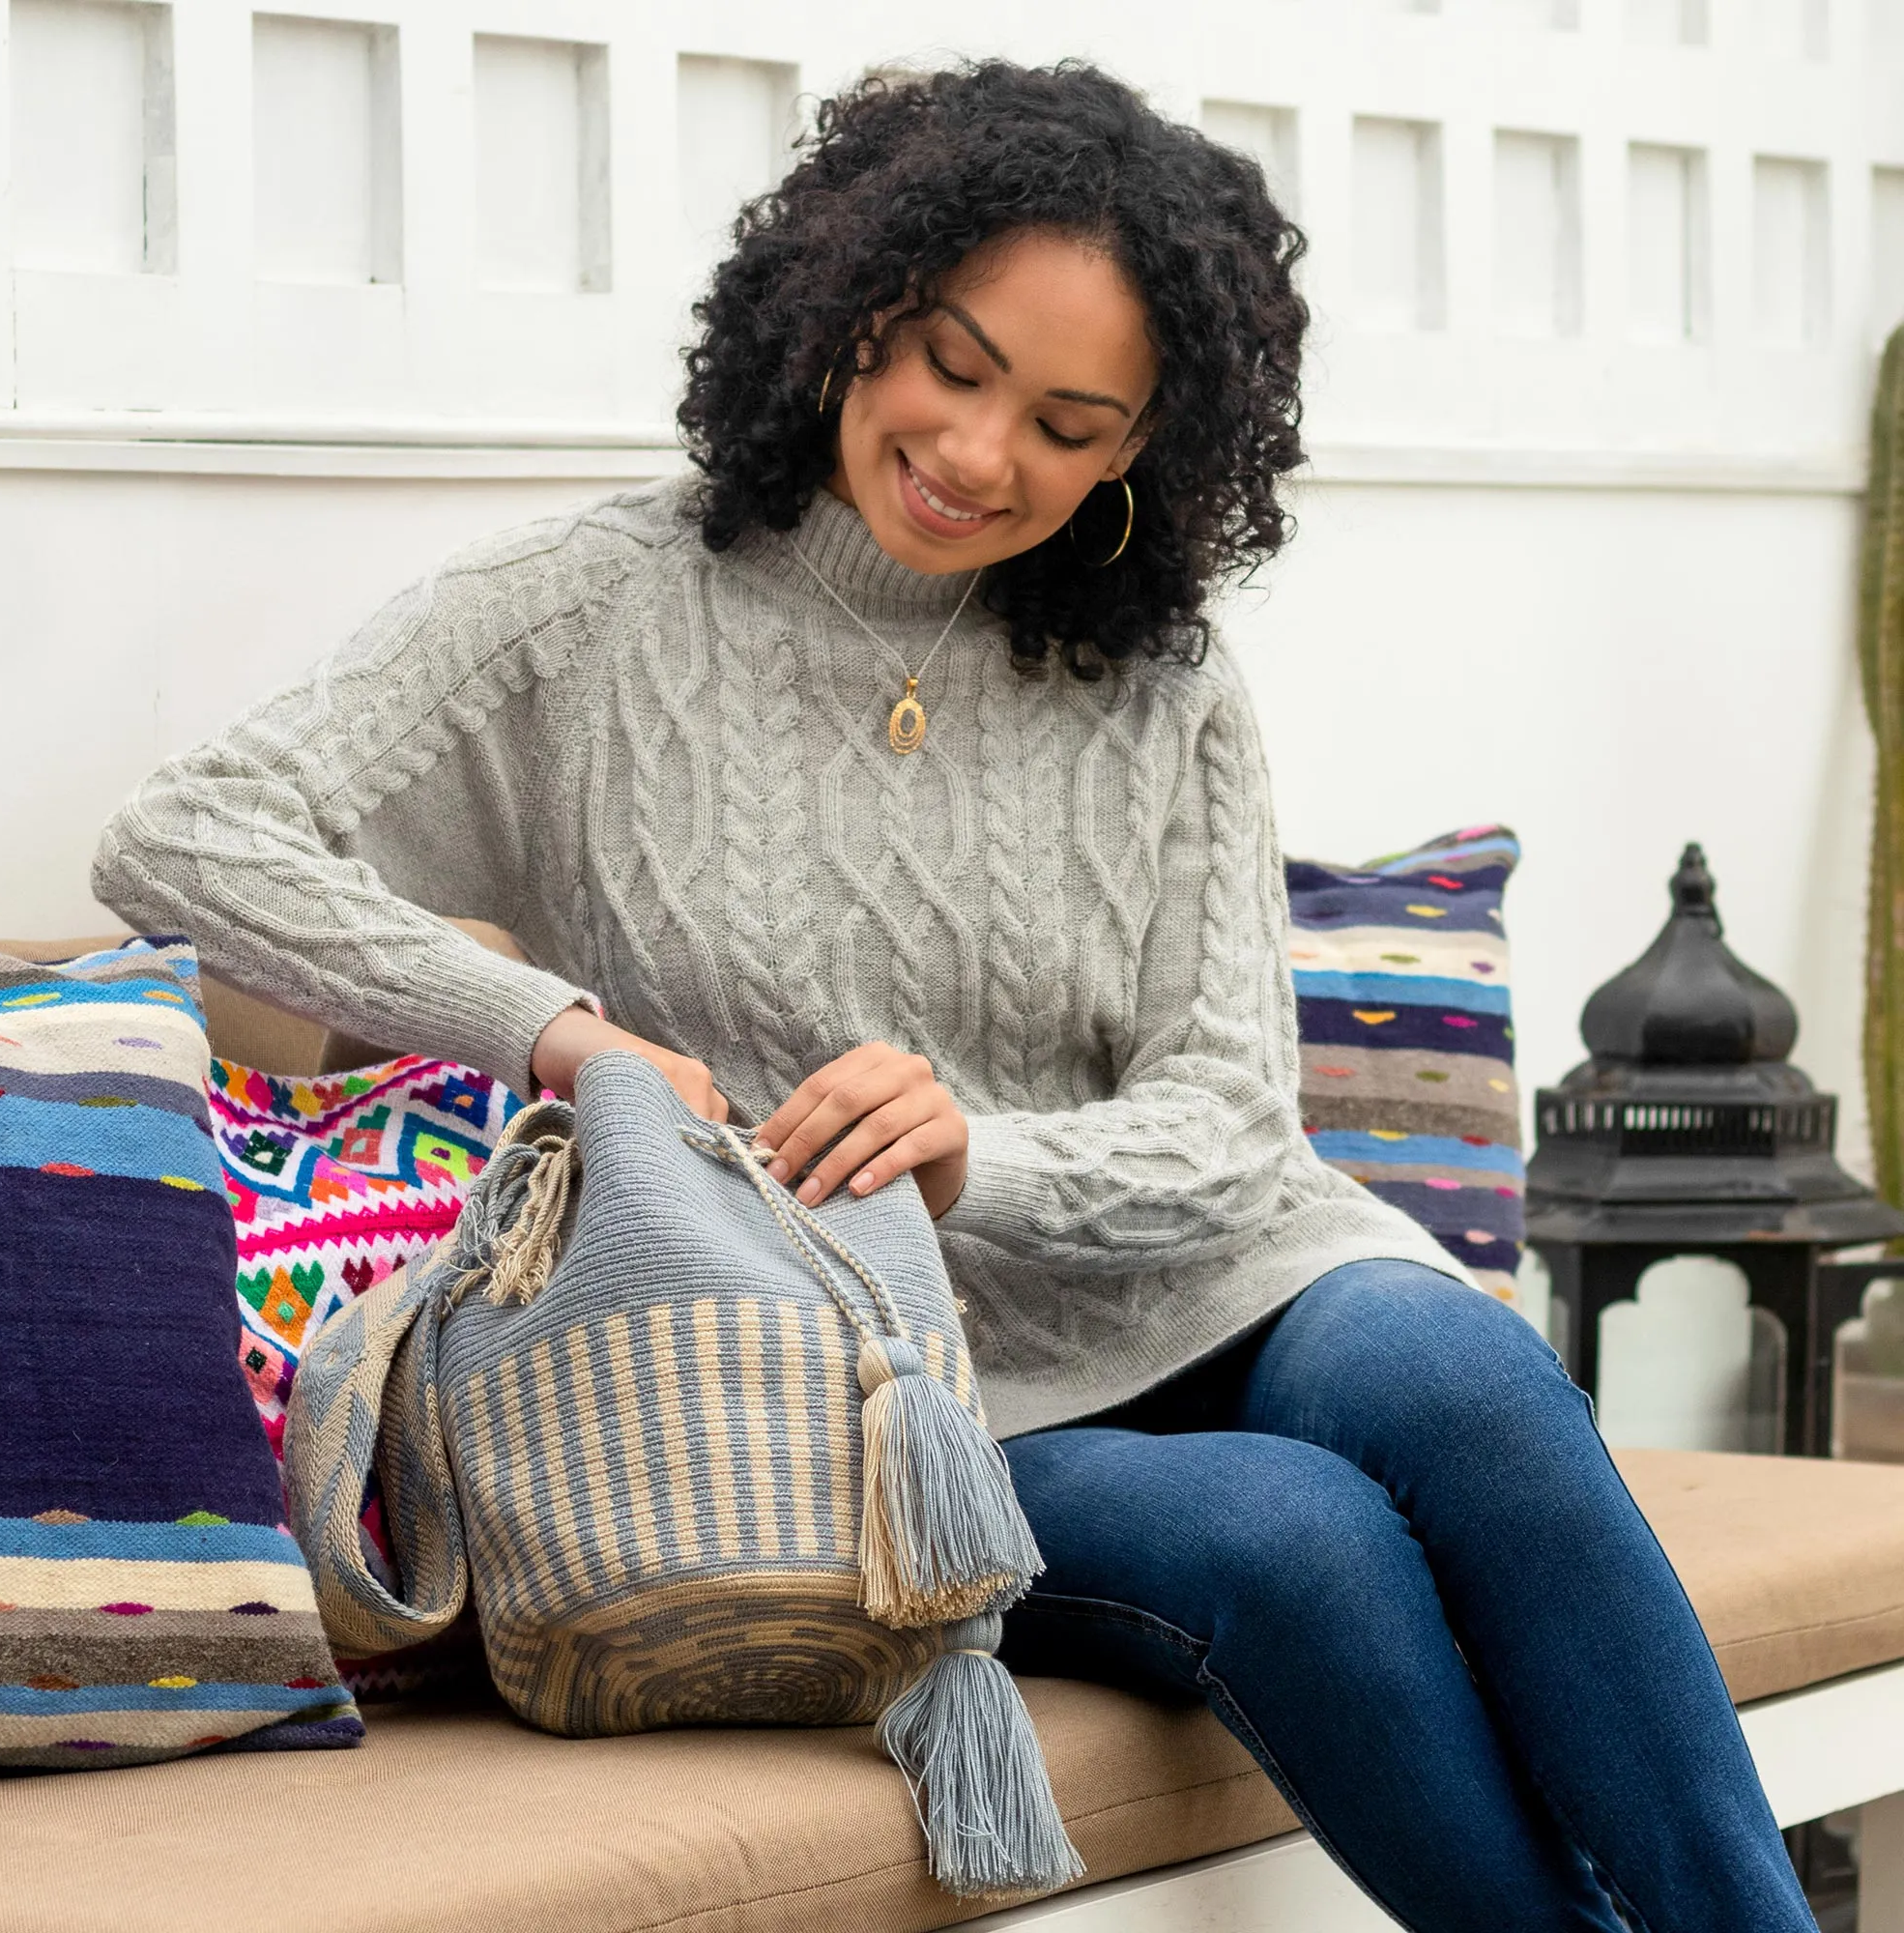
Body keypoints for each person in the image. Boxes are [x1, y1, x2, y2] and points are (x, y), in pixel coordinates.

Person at [94, 60, 1814, 1933]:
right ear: (846, 303)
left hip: (1207, 1269)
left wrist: (972, 1159)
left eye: (1073, 423)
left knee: (1470, 1379)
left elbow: (1230, 1128)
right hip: (860, 1390)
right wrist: (559, 1032)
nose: (983, 454)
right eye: (952, 361)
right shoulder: (590, 613)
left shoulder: (1159, 679)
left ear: (1149, 450)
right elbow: (185, 839)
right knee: (1289, 1537)